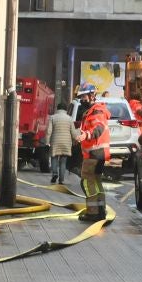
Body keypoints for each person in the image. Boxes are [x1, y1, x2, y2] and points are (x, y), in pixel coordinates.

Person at [76, 83, 110, 222]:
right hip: (97, 153)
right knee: (96, 181)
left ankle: (93, 212)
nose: (82, 100)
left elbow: (98, 128)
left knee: (86, 182)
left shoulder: (96, 112)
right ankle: (101, 210)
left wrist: (86, 135)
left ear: (91, 95)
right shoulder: (94, 111)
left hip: (94, 154)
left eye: (83, 96)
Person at [46, 103, 76, 185]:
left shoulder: (53, 117)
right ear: (66, 110)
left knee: (54, 158)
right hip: (66, 143)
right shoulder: (69, 119)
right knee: (63, 161)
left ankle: (55, 174)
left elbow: (49, 131)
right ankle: (61, 180)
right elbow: (73, 132)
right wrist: (76, 139)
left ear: (57, 109)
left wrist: (47, 141)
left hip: (55, 141)